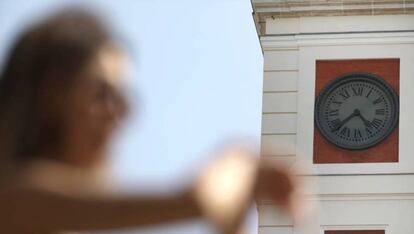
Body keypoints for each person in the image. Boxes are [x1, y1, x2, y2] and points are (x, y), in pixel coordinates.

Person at [0, 10, 300, 234]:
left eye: (123, 98)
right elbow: (195, 201)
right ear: (51, 94)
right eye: (102, 93)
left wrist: (234, 204)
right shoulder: (13, 200)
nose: (120, 114)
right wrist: (235, 163)